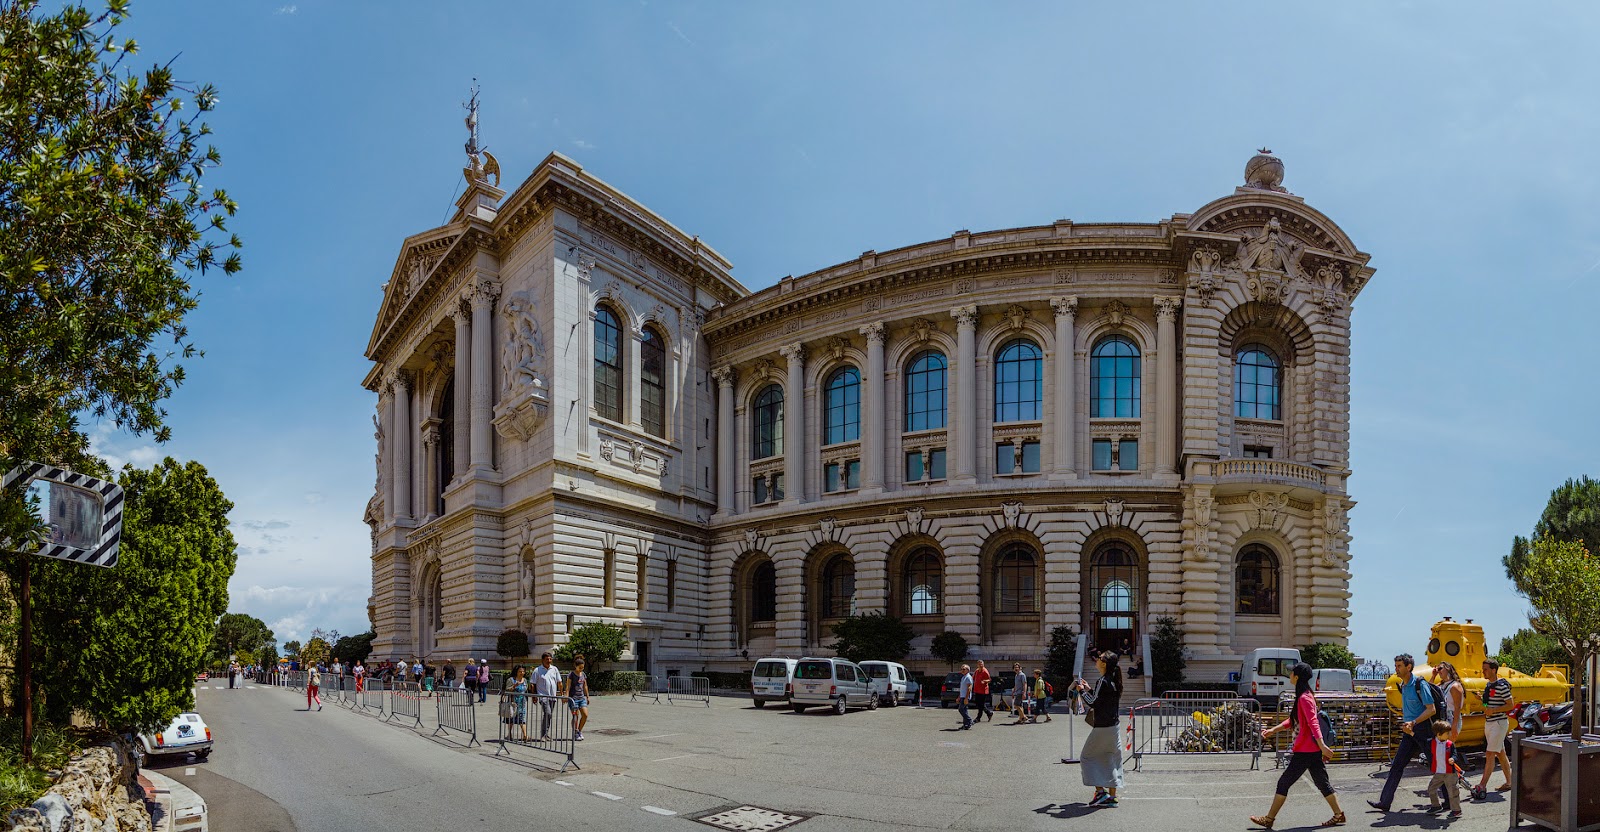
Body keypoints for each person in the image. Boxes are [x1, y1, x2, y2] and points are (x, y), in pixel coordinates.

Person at [1250, 662, 1345, 828]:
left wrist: (1322, 745)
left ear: (1297, 676)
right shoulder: (1305, 695)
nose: (1290, 675)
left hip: (1306, 750)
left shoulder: (1304, 698)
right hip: (1311, 749)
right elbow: (1293, 720)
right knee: (1322, 782)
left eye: (1291, 672)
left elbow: (1313, 722)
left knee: (1284, 783)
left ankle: (1269, 819)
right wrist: (1273, 730)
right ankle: (1339, 815)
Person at [1369, 653, 1440, 813]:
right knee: (1397, 766)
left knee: (1436, 767)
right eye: (1396, 666)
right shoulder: (1403, 685)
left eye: (1399, 666)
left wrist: (1413, 722)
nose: (1396, 669)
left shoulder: (1420, 684)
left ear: (1409, 667)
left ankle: (1449, 801)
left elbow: (1431, 709)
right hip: (1410, 731)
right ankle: (1385, 802)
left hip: (1423, 730)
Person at [1077, 651, 1124, 807]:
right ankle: (1112, 797)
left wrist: (1081, 690)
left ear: (1104, 663)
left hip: (1102, 727)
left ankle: (1101, 792)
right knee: (1111, 759)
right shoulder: (1114, 680)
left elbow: (1093, 703)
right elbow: (1101, 699)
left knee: (1087, 757)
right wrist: (1090, 689)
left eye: (1100, 658)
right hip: (1114, 726)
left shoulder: (1102, 680)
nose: (1096, 660)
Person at [1475, 658, 1513, 798]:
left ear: (1493, 670)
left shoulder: (1501, 686)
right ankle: (1509, 782)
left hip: (1498, 723)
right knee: (1500, 753)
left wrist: (1494, 710)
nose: (1483, 671)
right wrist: (1482, 701)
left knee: (1490, 753)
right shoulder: (1488, 686)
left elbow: (1510, 705)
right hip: (1490, 723)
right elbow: (1487, 707)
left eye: (1485, 669)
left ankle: (1482, 784)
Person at [1433, 661, 1466, 806]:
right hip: (1443, 720)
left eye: (1440, 669)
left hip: (1451, 719)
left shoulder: (1455, 686)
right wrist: (1433, 676)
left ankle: (1454, 780)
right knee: (1442, 753)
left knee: (1448, 752)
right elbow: (1429, 690)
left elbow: (1458, 708)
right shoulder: (1441, 686)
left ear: (1448, 669)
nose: (1438, 671)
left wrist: (1454, 727)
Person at [1424, 719, 1462, 818]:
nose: (1448, 735)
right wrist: (1411, 733)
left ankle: (1456, 810)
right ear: (1439, 734)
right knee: (1431, 789)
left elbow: (1455, 754)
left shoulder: (1450, 744)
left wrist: (1452, 759)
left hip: (1450, 773)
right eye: (1447, 733)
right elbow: (1420, 740)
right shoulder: (1431, 743)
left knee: (1453, 792)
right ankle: (1435, 805)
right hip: (1438, 773)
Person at [531, 652, 563, 741]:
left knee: (548, 715)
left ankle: (545, 734)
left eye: (550, 659)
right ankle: (543, 735)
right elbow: (533, 684)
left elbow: (559, 682)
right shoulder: (537, 670)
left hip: (553, 696)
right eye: (547, 659)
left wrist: (561, 693)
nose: (549, 661)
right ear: (543, 660)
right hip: (543, 696)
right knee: (548, 713)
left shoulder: (554, 669)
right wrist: (534, 696)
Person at [564, 656, 591, 741]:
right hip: (574, 698)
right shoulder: (571, 675)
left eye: (582, 668)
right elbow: (568, 687)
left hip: (581, 697)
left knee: (585, 715)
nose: (581, 669)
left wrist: (587, 696)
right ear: (575, 666)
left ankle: (579, 730)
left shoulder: (583, 674)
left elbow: (585, 685)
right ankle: (575, 731)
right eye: (580, 668)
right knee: (575, 715)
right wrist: (566, 696)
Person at [505, 665, 530, 741]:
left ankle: (525, 735)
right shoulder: (511, 680)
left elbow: (526, 690)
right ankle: (509, 734)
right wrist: (514, 686)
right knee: (511, 718)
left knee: (522, 718)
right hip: (513, 702)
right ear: (516, 672)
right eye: (520, 671)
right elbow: (507, 690)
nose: (522, 673)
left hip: (522, 703)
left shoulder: (525, 680)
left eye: (523, 671)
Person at [956, 664, 974, 729]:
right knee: (965, 710)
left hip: (965, 697)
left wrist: (966, 698)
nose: (962, 670)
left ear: (967, 670)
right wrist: (959, 697)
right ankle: (966, 725)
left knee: (960, 709)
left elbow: (969, 688)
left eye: (963, 669)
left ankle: (969, 720)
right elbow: (962, 689)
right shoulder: (963, 677)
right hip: (962, 696)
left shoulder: (968, 677)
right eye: (961, 669)